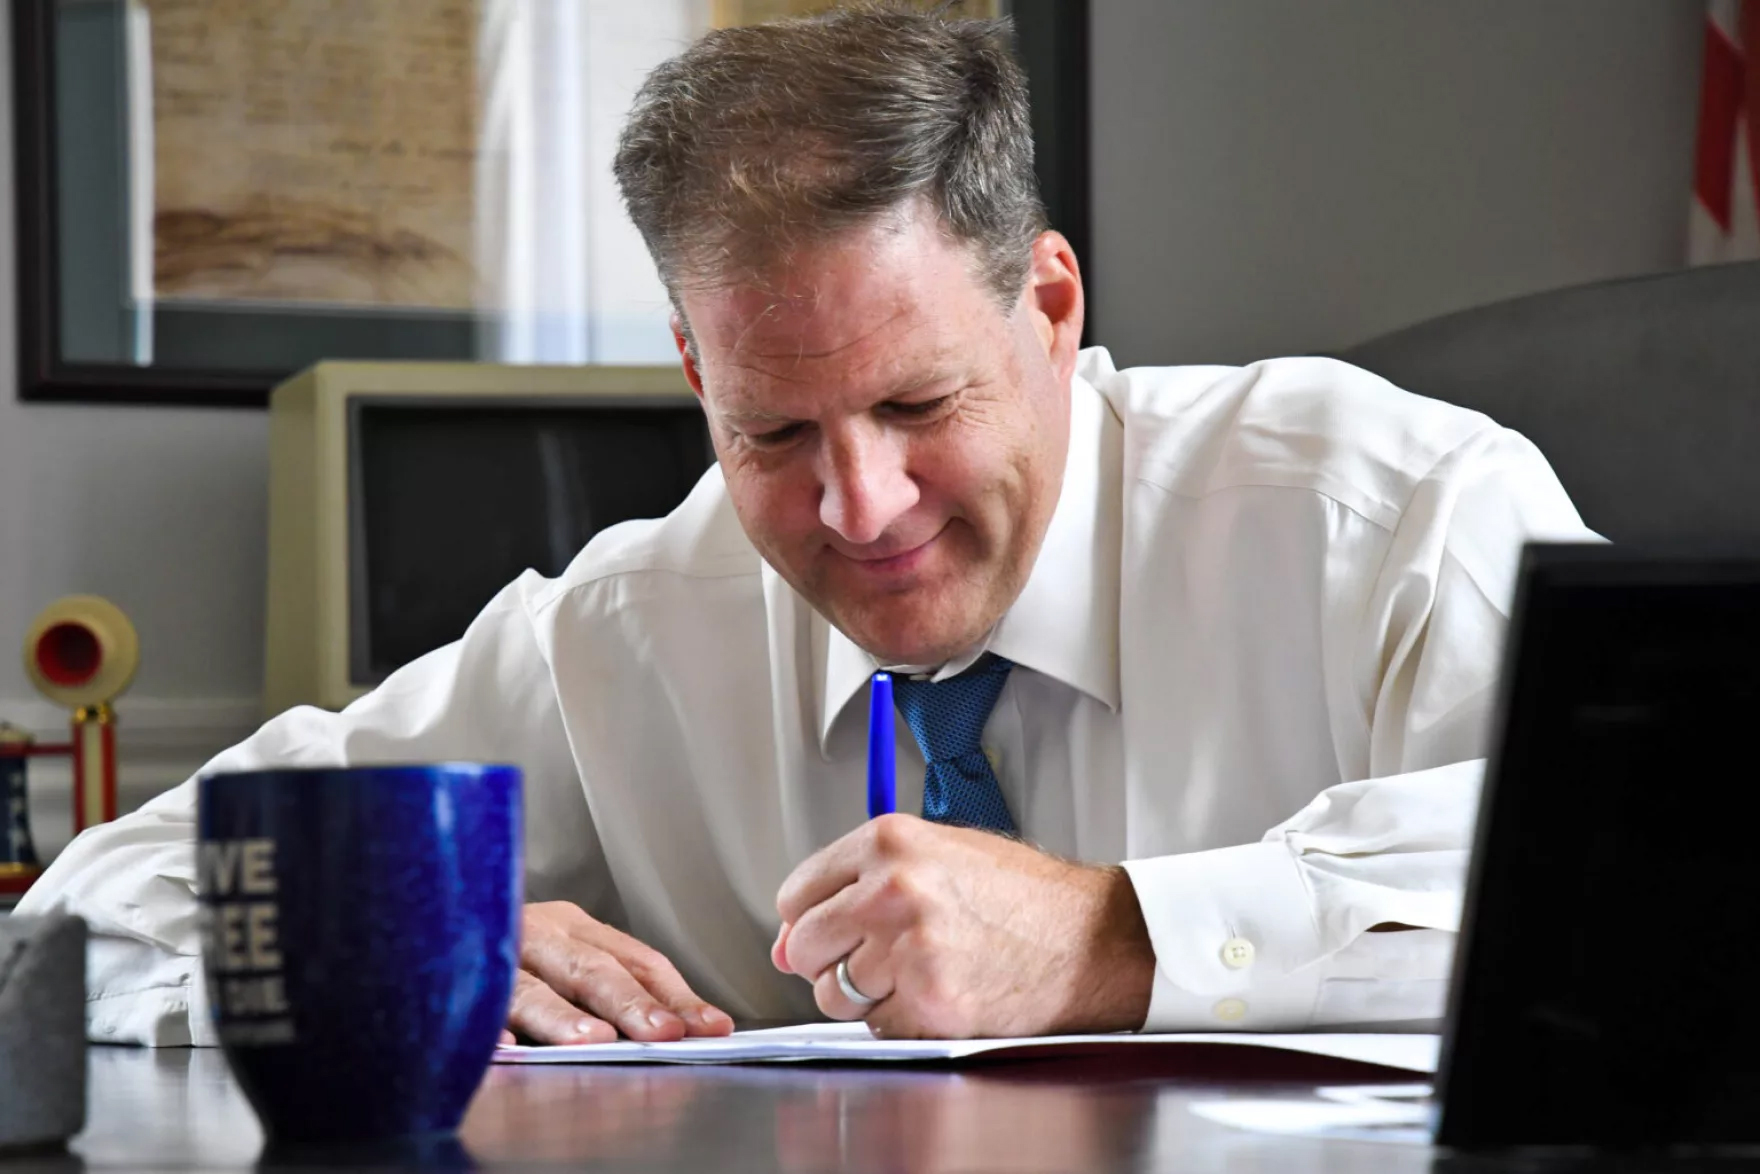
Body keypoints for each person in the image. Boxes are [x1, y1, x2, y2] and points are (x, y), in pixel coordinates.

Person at [18, 7, 1590, 1047]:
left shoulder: (1394, 512)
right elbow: (103, 893)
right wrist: (384, 936)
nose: (859, 507)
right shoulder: (631, 627)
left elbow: (1640, 891)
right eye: (773, 431)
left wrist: (1115, 936)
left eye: (918, 407)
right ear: (699, 379)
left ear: (1049, 307)